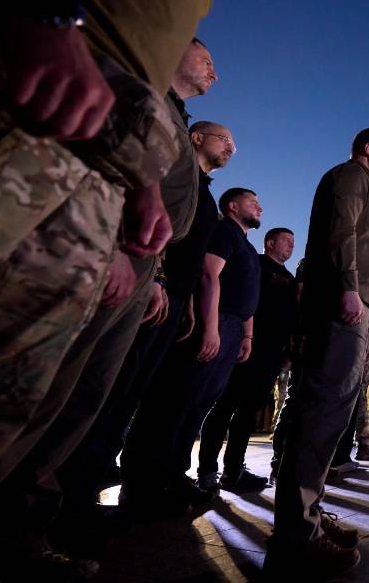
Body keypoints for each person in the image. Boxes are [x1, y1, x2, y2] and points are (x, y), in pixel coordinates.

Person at [0, 0, 209, 502]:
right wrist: (44, 7)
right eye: (206, 60)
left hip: (105, 148)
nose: (214, 73)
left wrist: (142, 186)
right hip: (42, 84)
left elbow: (146, 63)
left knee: (22, 391)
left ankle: (15, 525)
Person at [0, 40, 220, 565]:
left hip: (143, 263)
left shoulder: (173, 113)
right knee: (54, 390)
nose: (214, 72)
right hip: (115, 250)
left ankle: (39, 520)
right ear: (175, 51)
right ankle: (21, 520)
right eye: (205, 59)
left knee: (92, 394)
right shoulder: (141, 88)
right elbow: (115, 167)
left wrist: (155, 272)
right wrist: (118, 247)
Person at [266, 127, 369, 576]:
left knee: (329, 415)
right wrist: (349, 287)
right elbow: (342, 232)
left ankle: (308, 517)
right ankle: (296, 536)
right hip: (344, 305)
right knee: (322, 413)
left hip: (354, 306)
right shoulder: (350, 177)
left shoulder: (362, 184)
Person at [120, 188, 262, 514]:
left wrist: (247, 333)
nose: (259, 207)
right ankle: (150, 481)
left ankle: (176, 475)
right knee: (181, 400)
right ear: (232, 206)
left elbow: (248, 293)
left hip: (233, 326)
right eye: (252, 201)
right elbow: (209, 275)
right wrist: (211, 328)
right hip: (218, 320)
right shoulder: (224, 231)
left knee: (201, 403)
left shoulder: (245, 245)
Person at [197, 227, 297, 492]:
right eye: (286, 240)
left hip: (271, 355)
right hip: (244, 347)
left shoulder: (290, 279)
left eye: (293, 242)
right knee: (224, 406)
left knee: (247, 413)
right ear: (270, 243)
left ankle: (233, 471)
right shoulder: (255, 264)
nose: (291, 245)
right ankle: (207, 471)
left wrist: (286, 351)